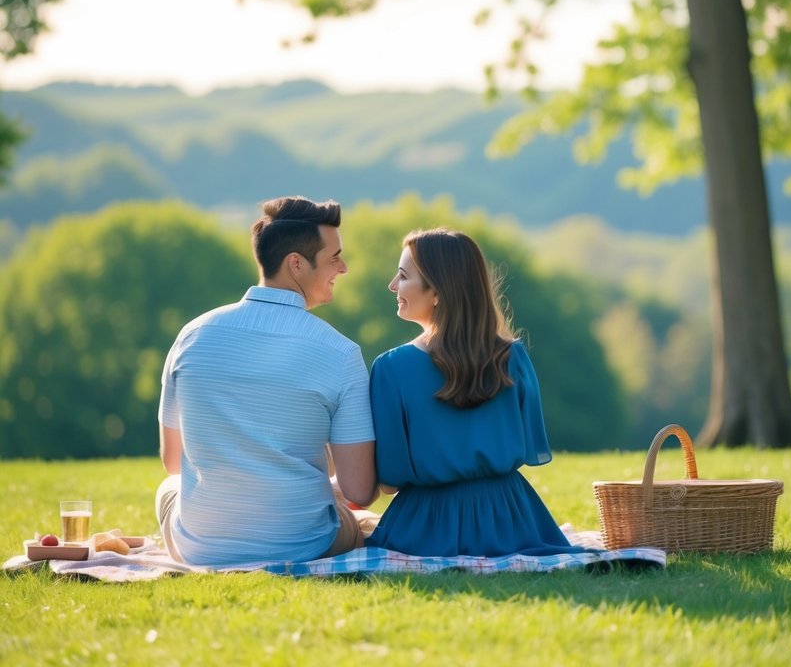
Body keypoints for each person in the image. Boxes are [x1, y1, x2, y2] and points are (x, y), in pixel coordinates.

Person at [156, 196, 377, 566]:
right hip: (306, 545)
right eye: (334, 257)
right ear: (296, 264)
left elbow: (173, 461)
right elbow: (360, 489)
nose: (344, 267)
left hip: (200, 548)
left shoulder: (191, 336)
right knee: (349, 517)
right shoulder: (341, 353)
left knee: (168, 489)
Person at [366, 228, 580, 557]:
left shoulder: (390, 369)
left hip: (426, 525)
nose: (393, 286)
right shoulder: (513, 356)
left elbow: (391, 478)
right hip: (513, 519)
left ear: (436, 292)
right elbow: (530, 446)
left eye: (403, 277)